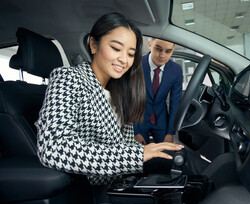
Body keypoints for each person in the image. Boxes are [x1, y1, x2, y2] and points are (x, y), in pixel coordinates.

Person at [35, 12, 183, 185]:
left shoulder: (120, 90)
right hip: (91, 186)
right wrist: (138, 154)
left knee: (175, 160)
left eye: (130, 54)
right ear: (93, 45)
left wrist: (147, 150)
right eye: (116, 48)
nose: (123, 60)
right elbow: (53, 148)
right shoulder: (68, 78)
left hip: (119, 180)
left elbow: (123, 146)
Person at [133, 38, 183, 144]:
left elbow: (175, 103)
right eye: (158, 49)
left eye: (168, 51)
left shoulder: (176, 70)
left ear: (172, 51)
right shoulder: (135, 65)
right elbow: (128, 99)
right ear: (150, 45)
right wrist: (134, 131)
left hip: (161, 119)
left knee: (166, 155)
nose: (162, 55)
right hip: (138, 120)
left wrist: (170, 132)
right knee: (140, 156)